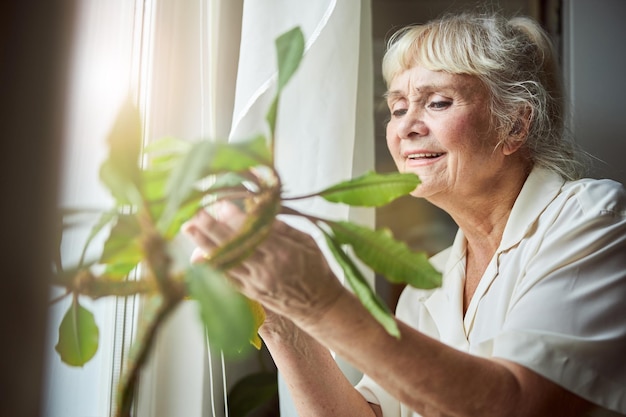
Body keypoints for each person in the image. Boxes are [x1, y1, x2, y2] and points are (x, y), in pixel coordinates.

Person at [183, 11, 626, 417]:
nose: (406, 126)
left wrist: (319, 301)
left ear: (514, 124)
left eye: (437, 102)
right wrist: (282, 317)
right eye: (398, 107)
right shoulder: (425, 285)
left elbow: (517, 404)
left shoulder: (594, 218)